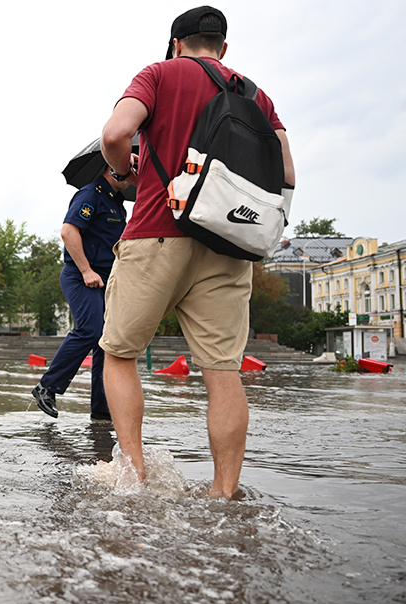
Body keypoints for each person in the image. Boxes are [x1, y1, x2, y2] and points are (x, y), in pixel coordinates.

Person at [98, 6, 295, 499]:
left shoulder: (159, 75)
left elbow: (115, 134)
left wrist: (125, 172)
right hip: (229, 245)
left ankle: (134, 477)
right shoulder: (255, 94)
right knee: (223, 372)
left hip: (156, 232)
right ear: (223, 48)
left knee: (119, 354)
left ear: (175, 44)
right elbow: (287, 172)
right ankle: (223, 493)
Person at [32, 168, 132, 421]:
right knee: (91, 330)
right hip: (81, 275)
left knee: (106, 341)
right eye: (131, 164)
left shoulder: (116, 203)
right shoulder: (90, 194)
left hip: (107, 279)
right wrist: (86, 270)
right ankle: (47, 386)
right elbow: (68, 231)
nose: (134, 171)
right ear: (112, 167)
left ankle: (102, 407)